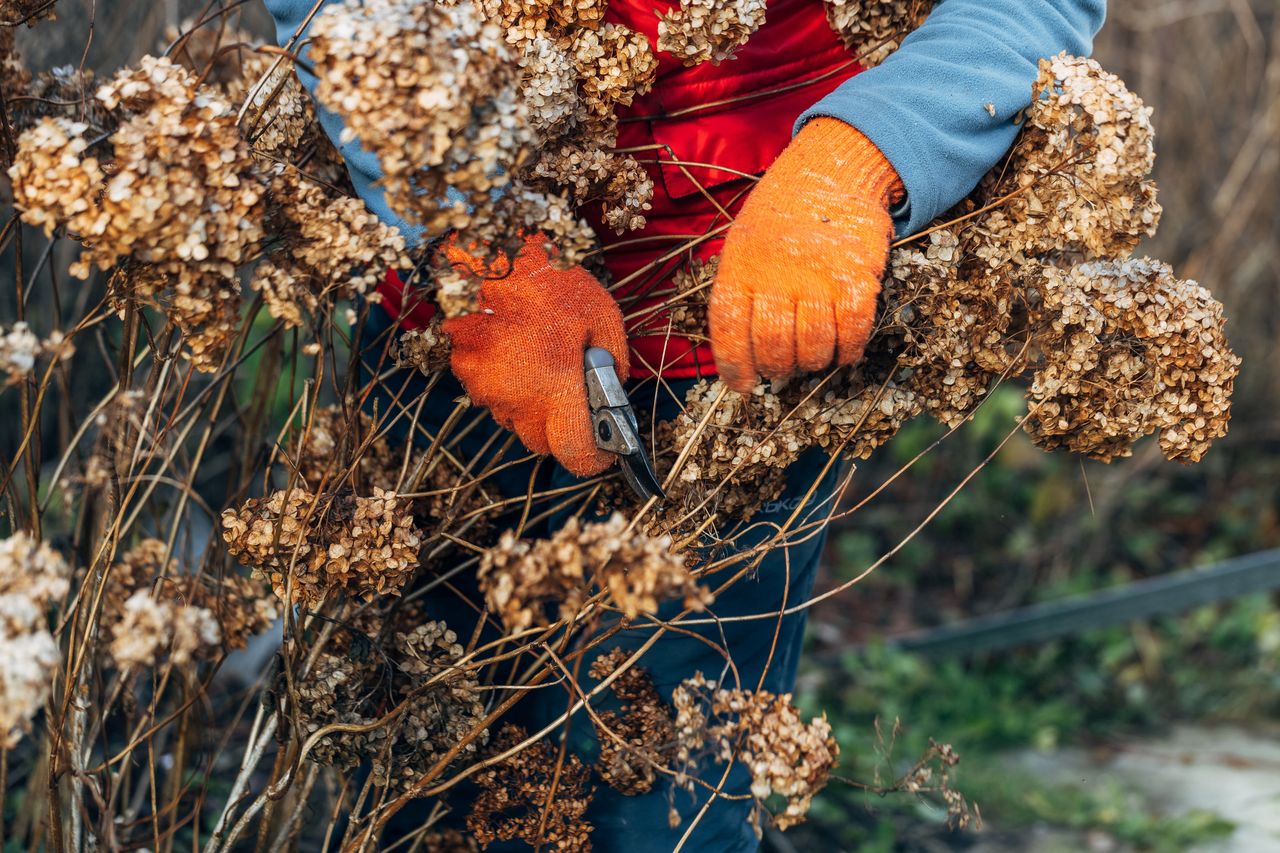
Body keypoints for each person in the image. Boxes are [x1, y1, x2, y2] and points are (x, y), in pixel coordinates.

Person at [264, 0, 1107, 848]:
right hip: (463, 341)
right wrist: (476, 246)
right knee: (430, 787)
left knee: (669, 807)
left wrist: (856, 161)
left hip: (739, 344)